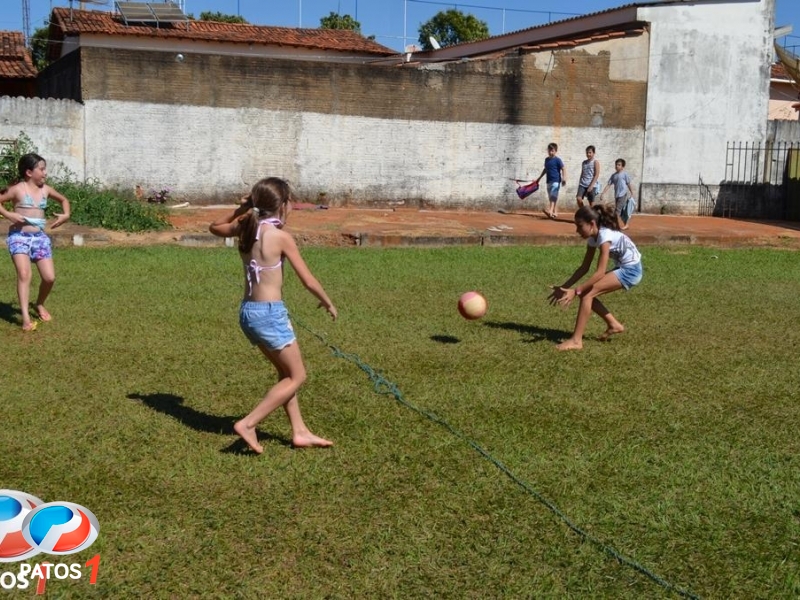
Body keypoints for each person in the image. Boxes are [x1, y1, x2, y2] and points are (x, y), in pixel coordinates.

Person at [209, 177, 337, 453]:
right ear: (282, 205)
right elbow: (308, 280)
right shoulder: (280, 237)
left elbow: (215, 227)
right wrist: (327, 302)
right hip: (269, 314)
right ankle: (248, 423)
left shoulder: (245, 226)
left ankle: (299, 432)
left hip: (248, 313)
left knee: (285, 373)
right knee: (298, 376)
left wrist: (241, 208)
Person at [548, 204, 643, 351]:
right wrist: (564, 287)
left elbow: (600, 272)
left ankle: (576, 341)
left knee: (586, 294)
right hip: (624, 267)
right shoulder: (593, 238)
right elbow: (584, 268)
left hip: (631, 270)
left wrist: (576, 291)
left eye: (580, 226)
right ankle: (614, 325)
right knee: (587, 293)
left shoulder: (605, 236)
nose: (577, 230)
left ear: (592, 224)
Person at [0, 153, 71, 332]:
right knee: (24, 275)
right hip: (19, 237)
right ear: (29, 172)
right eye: (42, 169)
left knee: (49, 278)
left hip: (39, 238)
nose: (45, 173)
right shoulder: (17, 189)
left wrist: (66, 215)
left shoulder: (45, 190)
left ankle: (39, 304)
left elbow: (64, 200)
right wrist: (8, 214)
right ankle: (25, 318)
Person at [599, 158, 636, 230]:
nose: (617, 166)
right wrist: (603, 193)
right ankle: (626, 225)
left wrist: (632, 192)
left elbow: (628, 184)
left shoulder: (624, 174)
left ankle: (614, 225)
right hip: (617, 195)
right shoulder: (614, 175)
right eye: (616, 165)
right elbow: (609, 184)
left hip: (623, 194)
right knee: (621, 211)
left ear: (622, 167)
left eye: (619, 165)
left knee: (617, 211)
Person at [535, 142, 566, 219]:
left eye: (552, 151)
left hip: (556, 181)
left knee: (553, 196)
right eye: (549, 151)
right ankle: (555, 211)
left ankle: (551, 210)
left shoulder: (558, 160)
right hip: (549, 181)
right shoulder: (546, 160)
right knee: (552, 197)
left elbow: (563, 169)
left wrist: (564, 178)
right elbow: (545, 169)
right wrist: (539, 178)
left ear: (556, 151)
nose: (551, 152)